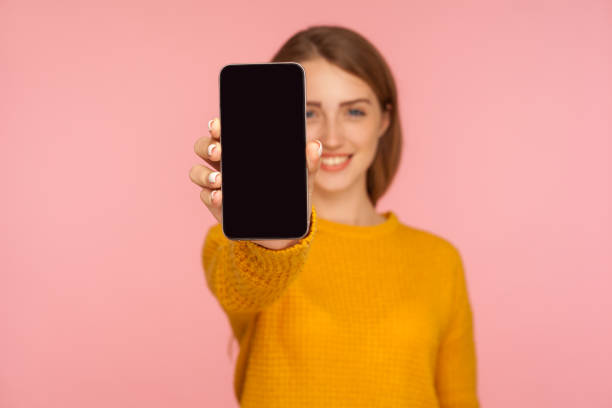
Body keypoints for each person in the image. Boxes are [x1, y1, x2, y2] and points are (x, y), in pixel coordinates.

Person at [189, 25, 479, 408]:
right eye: (308, 112)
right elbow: (248, 287)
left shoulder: (440, 260)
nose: (333, 136)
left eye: (354, 111)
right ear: (276, 119)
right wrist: (273, 239)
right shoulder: (238, 244)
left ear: (384, 121)